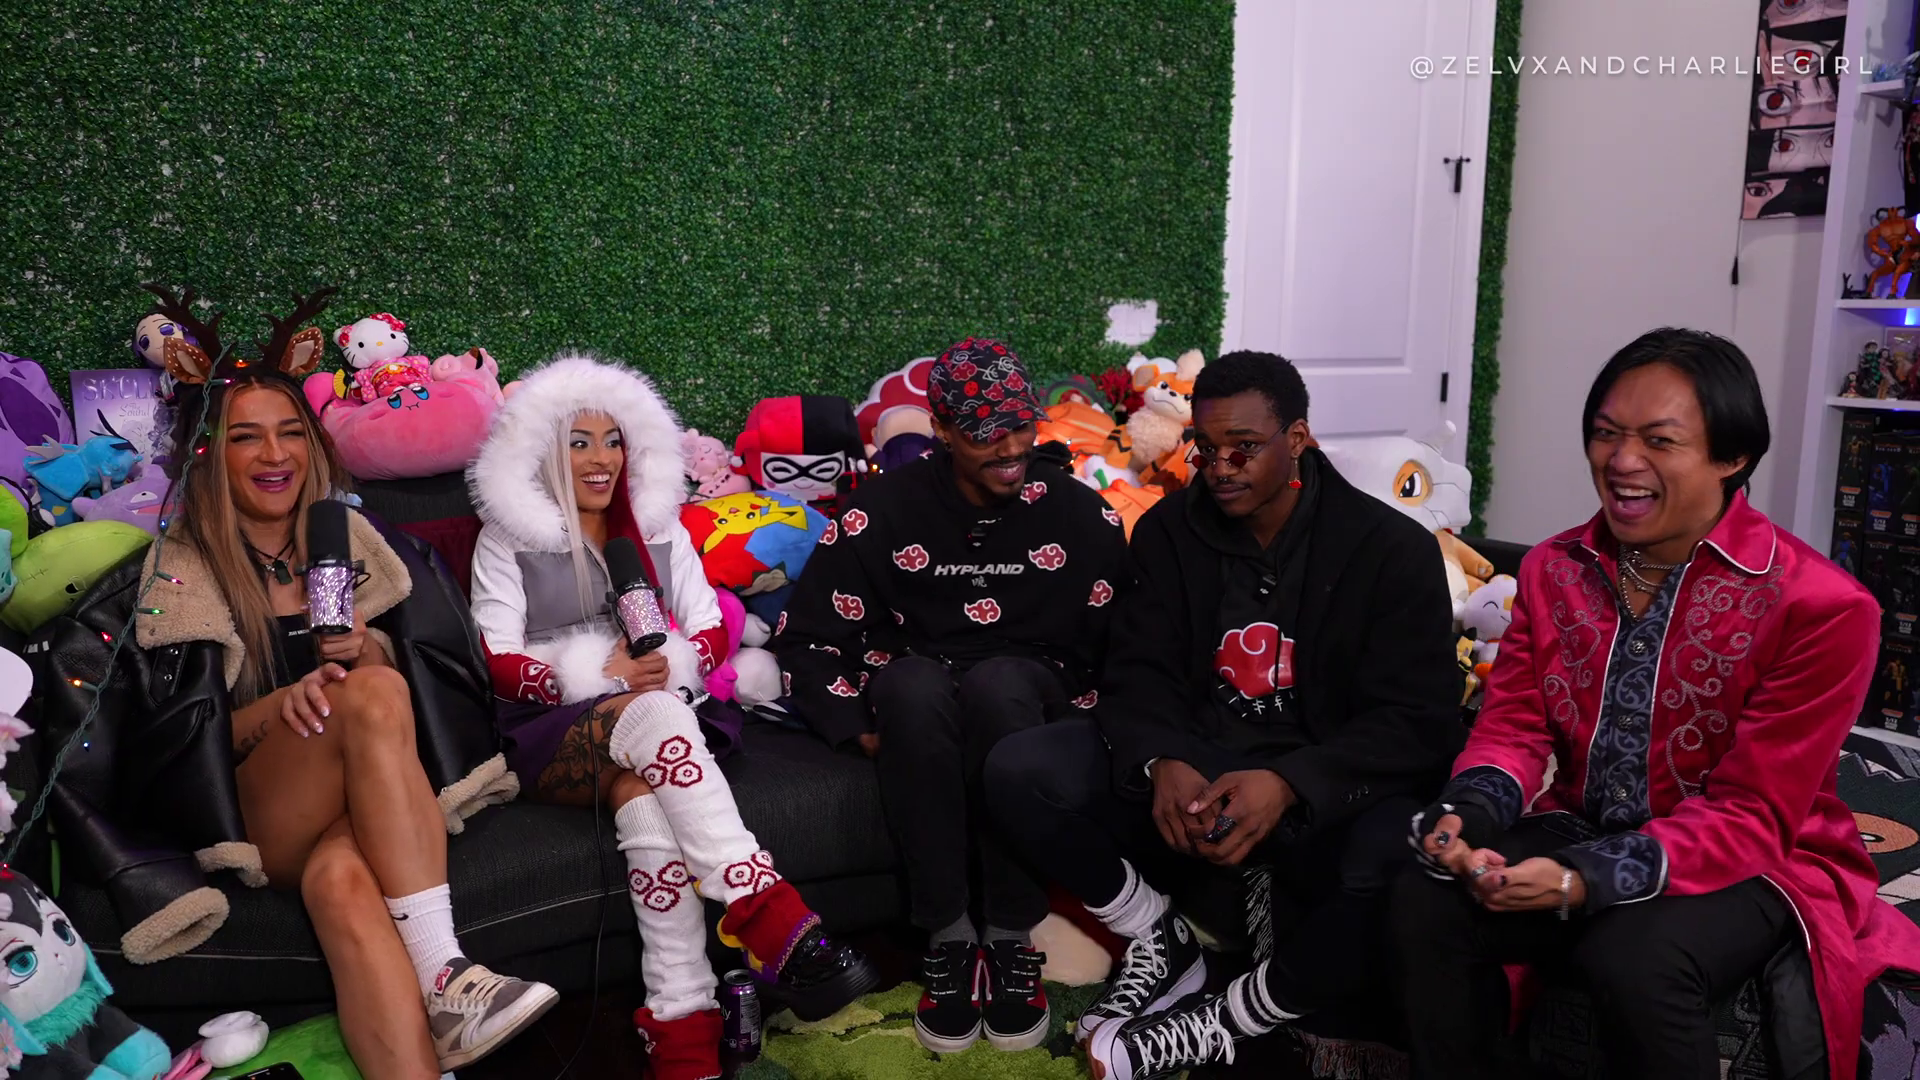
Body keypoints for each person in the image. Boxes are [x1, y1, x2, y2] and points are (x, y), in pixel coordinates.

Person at [37, 290, 553, 1080]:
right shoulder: (170, 581)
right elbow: (156, 759)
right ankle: (446, 972)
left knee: (342, 879)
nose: (274, 454)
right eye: (247, 436)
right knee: (370, 695)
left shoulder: (366, 552)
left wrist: (371, 650)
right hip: (253, 809)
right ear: (209, 454)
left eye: (289, 433)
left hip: (366, 791)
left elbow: (446, 694)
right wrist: (275, 710)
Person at [1393, 328, 1920, 1080]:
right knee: (1427, 896)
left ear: (1733, 457)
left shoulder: (1822, 606)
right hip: (1585, 819)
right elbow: (1515, 725)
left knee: (1635, 953)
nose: (1621, 460)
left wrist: (1584, 878)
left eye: (1659, 440)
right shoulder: (1554, 569)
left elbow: (1754, 812)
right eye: (1606, 433)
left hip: (1762, 857)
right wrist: (1469, 815)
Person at [985, 349, 1465, 1079]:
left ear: (1297, 439)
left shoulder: (1390, 550)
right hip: (1202, 757)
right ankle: (1159, 938)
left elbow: (1417, 719)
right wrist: (1162, 759)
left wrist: (1293, 783)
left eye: (1243, 448)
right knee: (1019, 770)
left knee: (1398, 852)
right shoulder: (1169, 531)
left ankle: (1230, 1016)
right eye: (1205, 449)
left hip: (1324, 776)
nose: (1221, 468)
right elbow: (1137, 670)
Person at [466, 353, 879, 1080]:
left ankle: (681, 1023)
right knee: (655, 715)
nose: (601, 459)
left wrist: (671, 659)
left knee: (645, 798)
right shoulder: (508, 537)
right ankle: (763, 907)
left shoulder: (661, 529)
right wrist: (603, 675)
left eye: (614, 440)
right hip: (552, 730)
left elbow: (711, 625)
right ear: (543, 450)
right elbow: (494, 655)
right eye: (579, 442)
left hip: (662, 721)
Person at [772, 337, 1132, 1055]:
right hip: (920, 684)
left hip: (1032, 688)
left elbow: (1126, 644)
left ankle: (1010, 936)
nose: (1012, 447)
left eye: (1021, 426)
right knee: (908, 685)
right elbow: (807, 636)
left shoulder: (1081, 516)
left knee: (1000, 685)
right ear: (939, 428)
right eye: (985, 433)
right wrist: (854, 720)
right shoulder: (881, 511)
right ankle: (950, 939)